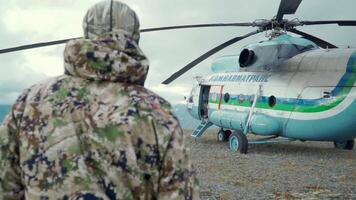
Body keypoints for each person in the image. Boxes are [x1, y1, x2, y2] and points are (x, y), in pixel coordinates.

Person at [0, 1, 199, 199]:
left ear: (86, 33)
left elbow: (6, 186)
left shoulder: (29, 102)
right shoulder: (157, 113)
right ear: (135, 38)